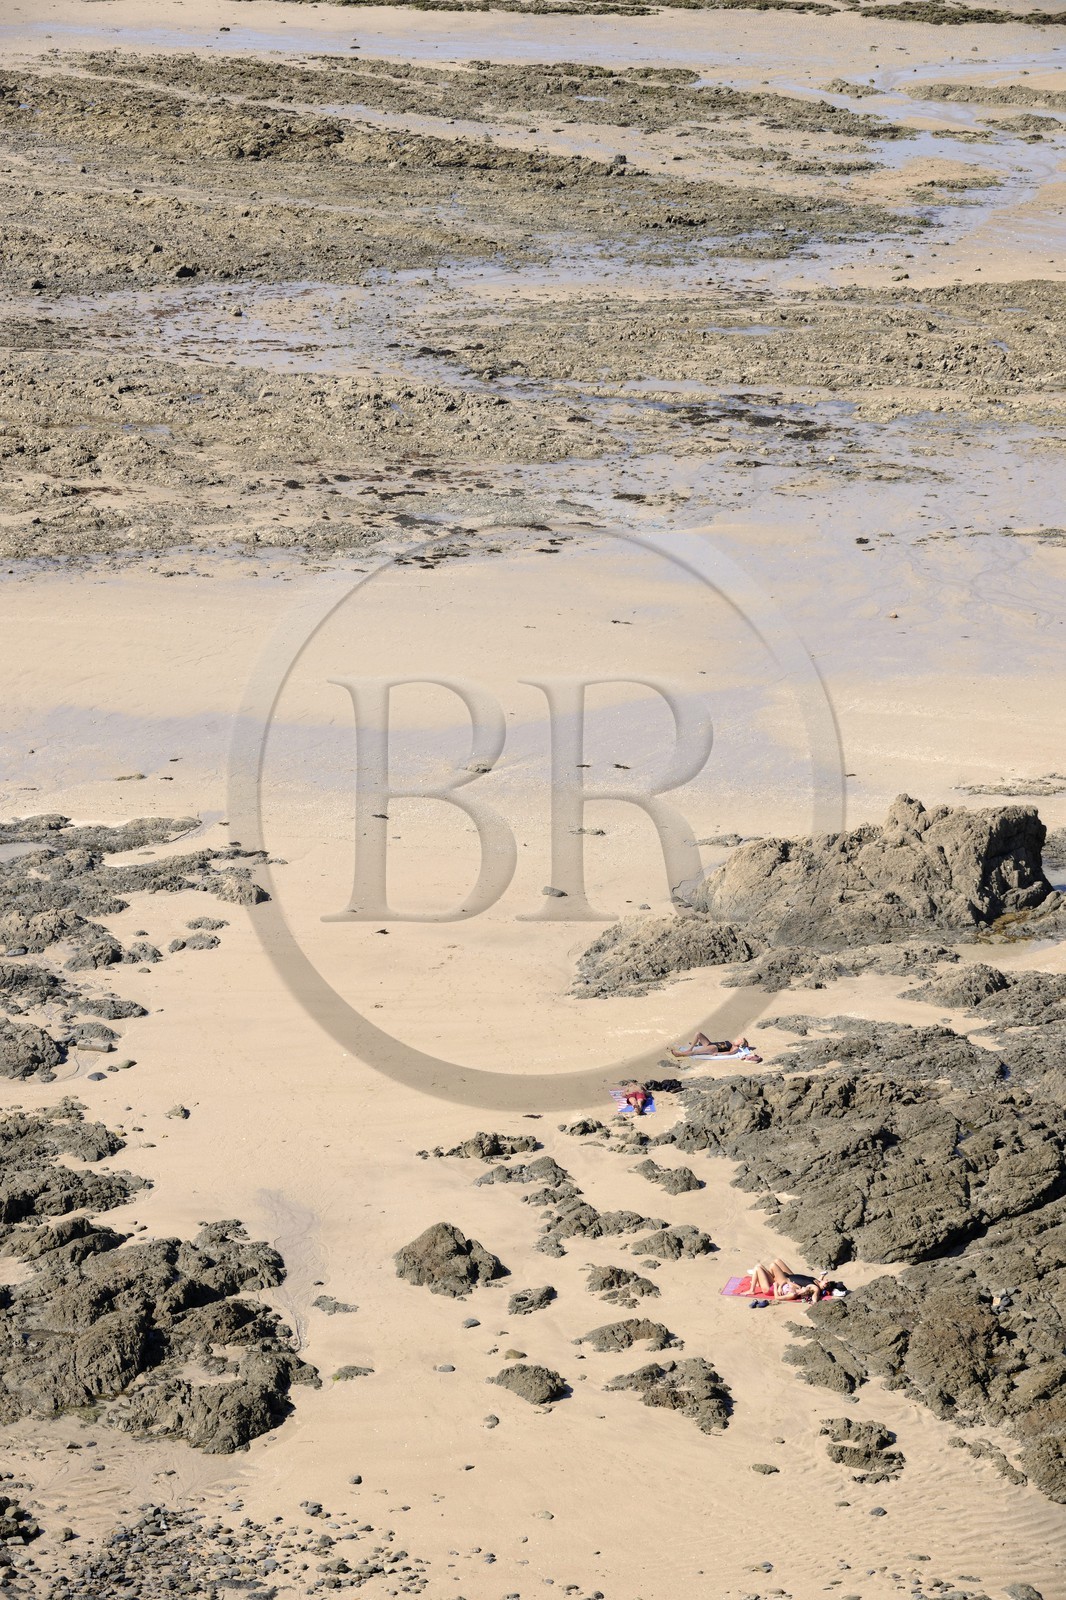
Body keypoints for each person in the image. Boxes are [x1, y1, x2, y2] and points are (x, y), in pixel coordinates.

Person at [749, 1260, 833, 1302]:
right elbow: (821, 1280)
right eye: (826, 1283)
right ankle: (765, 1278)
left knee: (773, 1265)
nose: (826, 1283)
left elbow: (815, 1295)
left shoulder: (815, 1287)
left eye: (825, 1286)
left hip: (785, 1280)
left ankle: (755, 1286)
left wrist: (815, 1302)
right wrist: (822, 1275)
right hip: (791, 1276)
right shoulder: (817, 1281)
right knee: (777, 1260)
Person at [670, 1034, 761, 1062]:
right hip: (711, 1044)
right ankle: (690, 1048)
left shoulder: (735, 1048)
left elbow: (729, 1053)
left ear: (740, 1043)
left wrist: (718, 1054)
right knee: (698, 1034)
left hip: (713, 1048)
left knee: (696, 1052)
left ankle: (680, 1054)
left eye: (739, 1040)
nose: (736, 1039)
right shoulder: (731, 1042)